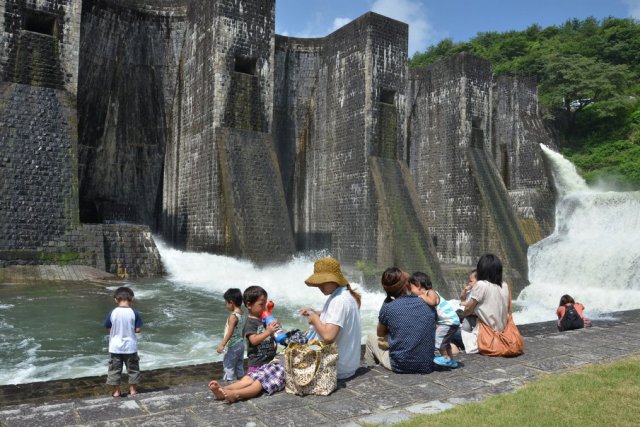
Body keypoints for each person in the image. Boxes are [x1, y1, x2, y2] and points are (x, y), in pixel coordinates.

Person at [208, 285, 285, 402]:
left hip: (269, 362)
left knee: (251, 382)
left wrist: (276, 328)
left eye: (265, 304)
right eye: (261, 305)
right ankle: (225, 390)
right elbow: (254, 340)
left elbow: (275, 338)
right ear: (249, 305)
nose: (264, 308)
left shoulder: (264, 320)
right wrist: (268, 331)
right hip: (257, 363)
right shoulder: (250, 322)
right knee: (250, 382)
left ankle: (226, 392)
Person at [299, 257, 362, 380]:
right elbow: (336, 315)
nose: (319, 286)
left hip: (337, 366)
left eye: (323, 282)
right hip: (349, 364)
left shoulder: (338, 301)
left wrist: (314, 319)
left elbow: (328, 336)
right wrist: (314, 312)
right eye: (318, 283)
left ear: (334, 280)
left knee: (286, 359)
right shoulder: (346, 296)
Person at [364, 267, 436, 374]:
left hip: (400, 366)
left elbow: (380, 333)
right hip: (427, 364)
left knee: (371, 337)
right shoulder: (426, 303)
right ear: (407, 285)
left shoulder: (388, 307)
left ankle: (371, 371)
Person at [459, 254, 511, 354]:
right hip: (502, 334)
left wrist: (462, 316)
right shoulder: (504, 285)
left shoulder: (481, 285)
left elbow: (469, 308)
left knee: (449, 334)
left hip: (484, 336)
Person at [408, 272, 460, 368]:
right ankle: (452, 360)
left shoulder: (431, 292)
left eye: (411, 288)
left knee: (438, 340)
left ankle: (445, 358)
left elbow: (432, 302)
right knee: (446, 343)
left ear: (418, 285)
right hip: (450, 321)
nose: (410, 291)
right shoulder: (428, 293)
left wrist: (423, 297)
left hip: (448, 321)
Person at [104, 286, 143, 397]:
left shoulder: (113, 312)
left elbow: (108, 327)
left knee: (114, 369)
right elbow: (138, 329)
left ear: (116, 300)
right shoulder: (134, 313)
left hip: (115, 346)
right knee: (133, 369)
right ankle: (133, 390)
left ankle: (116, 391)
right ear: (132, 299)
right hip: (130, 347)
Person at [216, 288, 246, 382]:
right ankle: (242, 382)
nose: (226, 305)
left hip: (232, 345)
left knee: (228, 365)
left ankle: (228, 384)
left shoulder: (233, 316)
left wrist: (222, 344)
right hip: (240, 344)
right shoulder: (243, 314)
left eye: (226, 303)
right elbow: (243, 329)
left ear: (231, 302)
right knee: (239, 365)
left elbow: (230, 332)